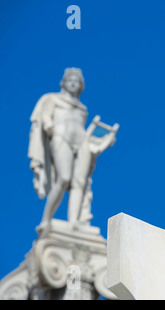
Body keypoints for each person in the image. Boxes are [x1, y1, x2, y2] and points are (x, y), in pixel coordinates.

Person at [28, 68, 117, 234]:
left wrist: (103, 140)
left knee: (79, 183)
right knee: (63, 178)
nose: (74, 82)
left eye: (77, 81)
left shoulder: (82, 108)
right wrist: (49, 126)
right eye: (71, 80)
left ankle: (74, 223)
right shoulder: (52, 99)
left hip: (81, 141)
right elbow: (45, 118)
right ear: (64, 83)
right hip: (61, 137)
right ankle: (46, 220)